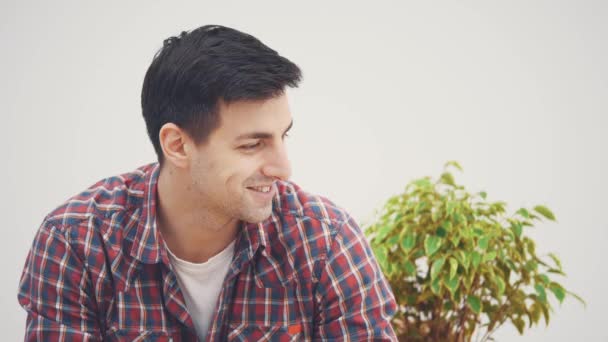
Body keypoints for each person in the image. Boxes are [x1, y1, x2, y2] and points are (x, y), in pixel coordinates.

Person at [17, 24, 397, 341]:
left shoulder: (325, 241)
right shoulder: (76, 241)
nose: (283, 168)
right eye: (253, 144)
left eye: (284, 136)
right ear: (178, 145)